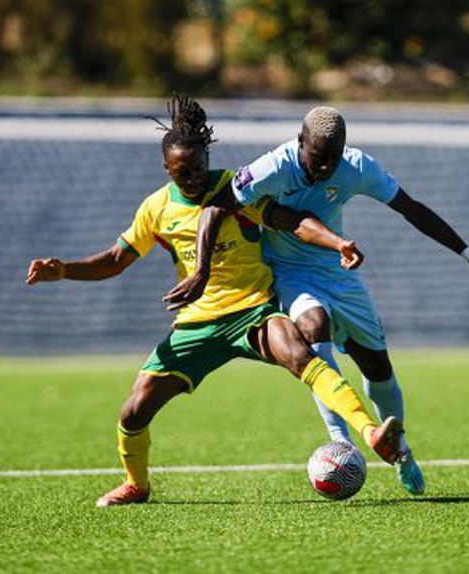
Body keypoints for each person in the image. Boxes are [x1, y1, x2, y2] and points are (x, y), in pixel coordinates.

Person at [25, 95, 404, 506]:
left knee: (302, 355)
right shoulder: (156, 208)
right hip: (198, 323)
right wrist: (64, 270)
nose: (192, 178)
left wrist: (336, 242)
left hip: (254, 311)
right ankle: (136, 484)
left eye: (198, 168)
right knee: (133, 411)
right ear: (166, 168)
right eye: (181, 172)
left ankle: (371, 434)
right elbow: (116, 261)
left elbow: (290, 221)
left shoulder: (236, 189)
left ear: (208, 157)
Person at [168, 106, 469, 496]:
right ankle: (341, 441)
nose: (325, 167)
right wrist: (201, 271)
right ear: (300, 142)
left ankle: (402, 453)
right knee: (313, 325)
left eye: (333, 159)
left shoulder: (357, 167)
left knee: (378, 368)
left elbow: (410, 209)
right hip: (288, 272)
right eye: (318, 157)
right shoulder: (273, 166)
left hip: (338, 274)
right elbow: (216, 205)